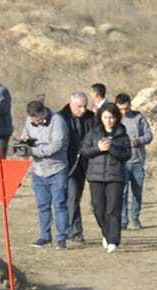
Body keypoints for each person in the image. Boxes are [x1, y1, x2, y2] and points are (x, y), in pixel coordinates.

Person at [82, 98, 134, 252]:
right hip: (95, 176)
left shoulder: (122, 134)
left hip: (115, 176)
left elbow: (127, 155)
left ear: (116, 118)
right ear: (100, 117)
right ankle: (106, 233)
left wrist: (111, 148)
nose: (108, 120)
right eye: (105, 117)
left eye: (111, 117)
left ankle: (113, 241)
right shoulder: (93, 133)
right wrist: (98, 148)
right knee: (98, 209)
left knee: (113, 209)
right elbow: (84, 151)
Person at [21, 99, 71, 249]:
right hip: (38, 171)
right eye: (32, 119)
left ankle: (61, 238)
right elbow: (25, 133)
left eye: (37, 118)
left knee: (60, 205)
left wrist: (33, 151)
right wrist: (24, 142)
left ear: (43, 112)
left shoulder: (58, 121)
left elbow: (56, 146)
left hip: (57, 170)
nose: (34, 121)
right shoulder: (29, 121)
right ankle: (44, 236)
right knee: (43, 206)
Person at [116, 93, 154, 228]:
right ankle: (123, 220)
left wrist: (138, 141)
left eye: (126, 109)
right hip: (122, 162)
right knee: (122, 192)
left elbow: (149, 136)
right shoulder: (114, 119)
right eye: (120, 109)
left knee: (137, 191)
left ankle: (135, 217)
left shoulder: (139, 117)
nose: (123, 112)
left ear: (130, 105)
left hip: (137, 161)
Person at [60, 92, 93, 242]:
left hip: (87, 163)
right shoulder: (60, 118)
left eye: (85, 106)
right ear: (71, 104)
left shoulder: (92, 117)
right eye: (79, 106)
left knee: (76, 198)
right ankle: (74, 231)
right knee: (72, 198)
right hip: (68, 164)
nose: (83, 110)